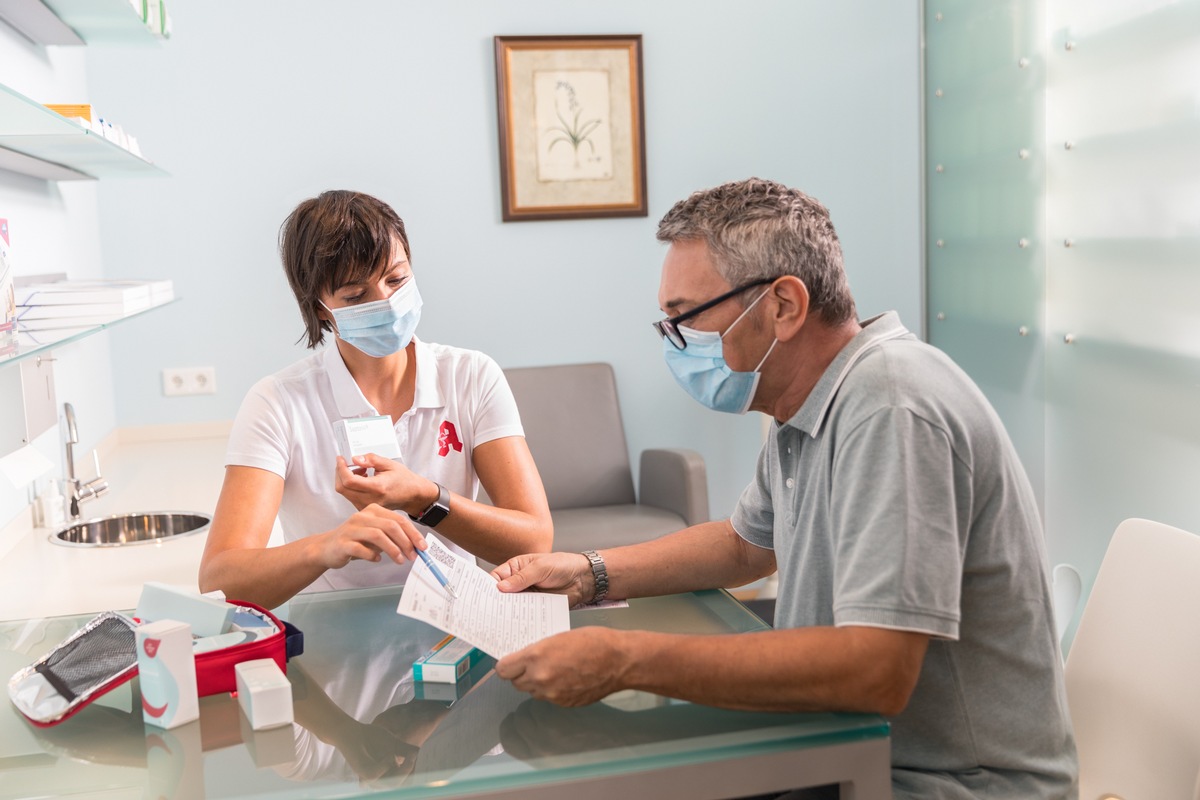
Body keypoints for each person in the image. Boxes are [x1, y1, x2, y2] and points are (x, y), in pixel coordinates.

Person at [490, 178, 1078, 799]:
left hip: (942, 783)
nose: (676, 342)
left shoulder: (892, 408)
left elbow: (875, 672)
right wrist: (589, 573)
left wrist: (624, 661)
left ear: (784, 307)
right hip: (841, 753)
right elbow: (747, 548)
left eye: (685, 318)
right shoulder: (803, 404)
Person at [200, 190, 552, 609]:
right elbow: (220, 579)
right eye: (355, 296)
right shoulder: (277, 403)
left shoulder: (471, 376)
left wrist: (424, 498)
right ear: (321, 311)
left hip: (456, 623)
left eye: (396, 279)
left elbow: (534, 540)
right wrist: (326, 548)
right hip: (331, 638)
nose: (385, 302)